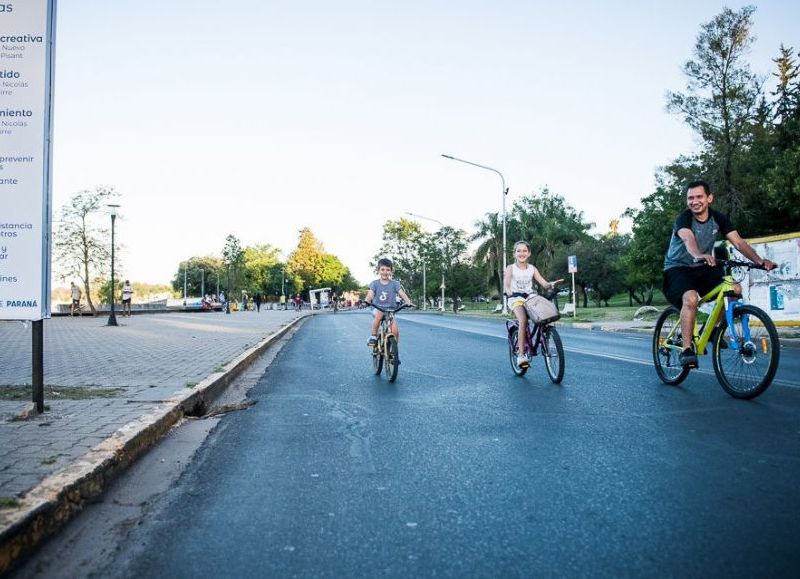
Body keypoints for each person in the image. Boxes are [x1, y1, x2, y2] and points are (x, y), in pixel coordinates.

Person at [663, 179, 776, 369]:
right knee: (691, 299)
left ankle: (714, 331)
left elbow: (739, 242)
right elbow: (688, 238)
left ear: (709, 198)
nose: (694, 201)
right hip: (677, 268)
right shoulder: (684, 219)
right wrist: (698, 254)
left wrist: (759, 261)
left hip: (702, 267)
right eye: (690, 198)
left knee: (734, 289)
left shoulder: (718, 218)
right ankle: (687, 349)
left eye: (699, 197)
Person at [503, 240, 558, 369]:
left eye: (524, 251)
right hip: (515, 298)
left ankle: (546, 336)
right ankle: (521, 355)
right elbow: (506, 284)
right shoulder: (511, 268)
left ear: (529, 253)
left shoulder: (532, 269)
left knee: (546, 315)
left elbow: (543, 283)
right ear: (514, 254)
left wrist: (550, 284)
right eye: (518, 251)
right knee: (523, 320)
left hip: (530, 297)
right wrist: (509, 291)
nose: (521, 253)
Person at [364, 258, 415, 347]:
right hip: (378, 309)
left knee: (395, 331)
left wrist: (408, 301)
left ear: (391, 271)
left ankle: (393, 351)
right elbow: (370, 294)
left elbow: (402, 293)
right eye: (382, 269)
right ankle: (374, 335)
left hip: (390, 311)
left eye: (388, 270)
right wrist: (367, 300)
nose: (385, 272)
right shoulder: (374, 284)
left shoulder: (395, 284)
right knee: (379, 314)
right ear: (378, 270)